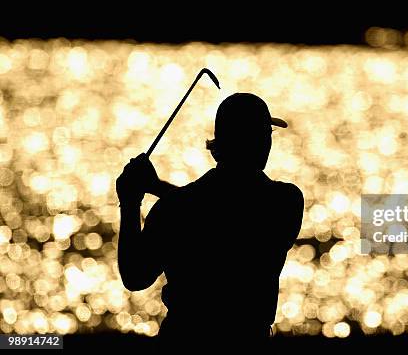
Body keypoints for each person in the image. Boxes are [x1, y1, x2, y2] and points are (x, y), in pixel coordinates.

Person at [115, 93, 304, 346]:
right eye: (267, 134)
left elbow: (135, 276)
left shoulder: (173, 209)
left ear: (219, 144)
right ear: (260, 141)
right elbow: (228, 213)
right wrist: (156, 186)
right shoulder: (285, 201)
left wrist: (130, 203)